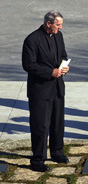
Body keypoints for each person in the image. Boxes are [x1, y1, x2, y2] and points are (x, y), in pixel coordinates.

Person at [22, 11, 70, 172]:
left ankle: (57, 152)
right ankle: (38, 159)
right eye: (58, 24)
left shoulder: (58, 36)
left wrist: (64, 67)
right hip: (40, 91)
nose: (60, 27)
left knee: (58, 123)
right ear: (48, 23)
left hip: (57, 88)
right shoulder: (32, 40)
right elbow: (29, 65)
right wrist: (51, 72)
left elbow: (63, 55)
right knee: (40, 126)